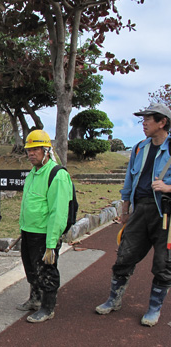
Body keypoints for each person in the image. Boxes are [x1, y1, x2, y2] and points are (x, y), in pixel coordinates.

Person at [96, 103, 171, 327]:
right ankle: (113, 299)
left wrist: (168, 188)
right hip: (140, 211)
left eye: (148, 119)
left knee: (163, 263)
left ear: (162, 122)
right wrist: (125, 209)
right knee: (124, 256)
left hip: (166, 214)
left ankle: (154, 308)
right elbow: (129, 180)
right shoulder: (139, 148)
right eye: (143, 119)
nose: (144, 123)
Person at [16, 130, 73, 323]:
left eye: (36, 149)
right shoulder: (33, 173)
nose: (31, 153)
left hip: (44, 234)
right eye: (29, 150)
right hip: (29, 231)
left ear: (46, 150)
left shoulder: (57, 175)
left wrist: (51, 244)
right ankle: (35, 299)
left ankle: (48, 308)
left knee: (47, 271)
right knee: (31, 267)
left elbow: (58, 212)